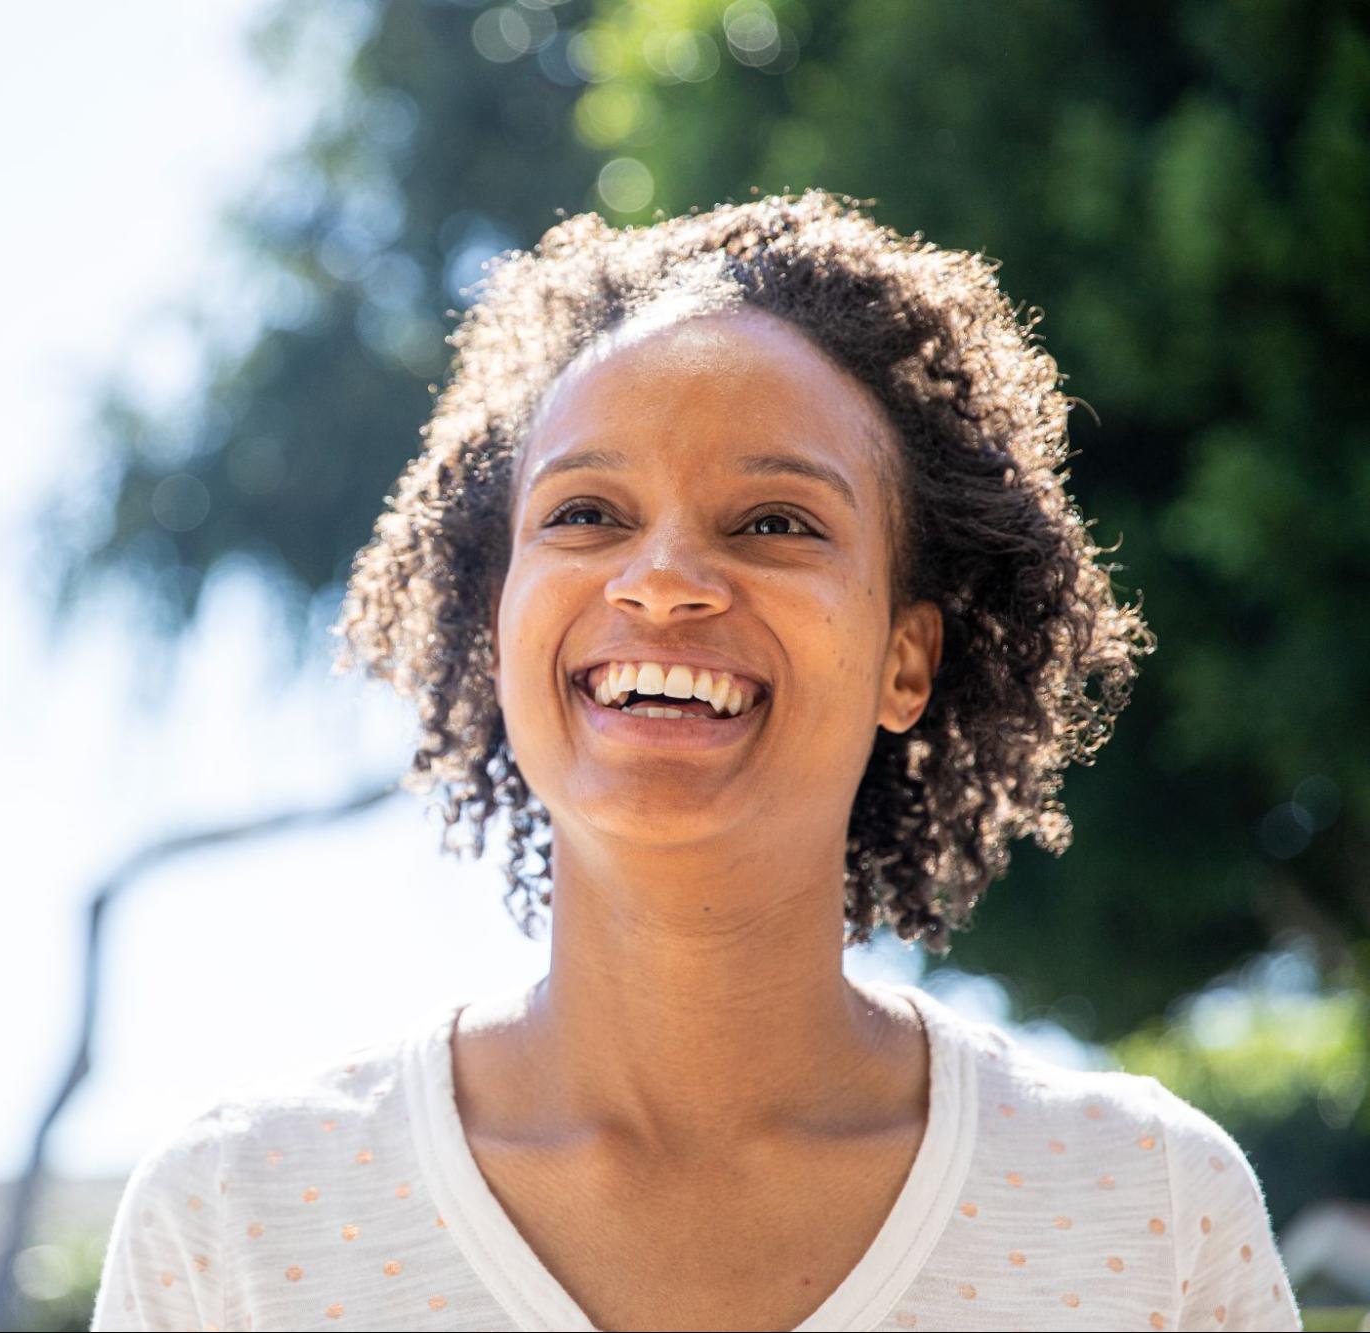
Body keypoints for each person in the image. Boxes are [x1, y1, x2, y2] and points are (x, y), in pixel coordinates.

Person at [88, 191, 1301, 1331]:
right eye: (584, 513)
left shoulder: (1147, 1213)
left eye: (776, 522)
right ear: (496, 615)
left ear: (905, 660)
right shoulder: (237, 1220)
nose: (659, 578)